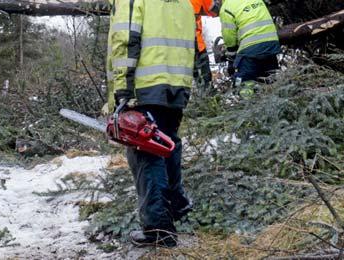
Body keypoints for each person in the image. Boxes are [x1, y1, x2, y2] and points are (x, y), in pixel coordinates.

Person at [106, 0, 196, 248]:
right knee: (167, 146)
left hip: (144, 87)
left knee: (146, 155)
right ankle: (176, 206)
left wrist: (122, 90)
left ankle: (159, 229)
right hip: (176, 85)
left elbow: (126, 41)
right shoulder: (183, 2)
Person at [216, 0, 280, 99]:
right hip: (271, 43)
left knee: (244, 84)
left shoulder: (227, 7)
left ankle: (247, 106)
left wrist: (231, 55)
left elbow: (229, 36)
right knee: (269, 79)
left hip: (251, 47)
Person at [189, 0, 219, 96]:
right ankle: (206, 97)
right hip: (195, 43)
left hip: (173, 45)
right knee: (204, 80)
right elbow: (214, 10)